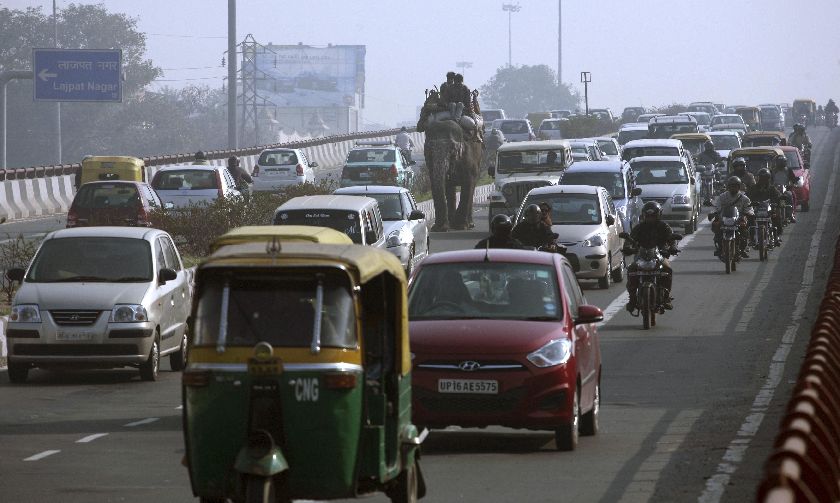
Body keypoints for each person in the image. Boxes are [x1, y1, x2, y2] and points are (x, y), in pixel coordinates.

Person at [624, 201, 677, 313]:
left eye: (653, 216)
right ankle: (632, 298)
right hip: (641, 257)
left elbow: (672, 238)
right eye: (648, 216)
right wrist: (628, 247)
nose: (650, 219)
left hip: (659, 256)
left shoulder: (664, 226)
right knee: (631, 270)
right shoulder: (638, 228)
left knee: (668, 269)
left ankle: (666, 296)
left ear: (658, 215)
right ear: (644, 216)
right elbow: (629, 240)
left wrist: (672, 247)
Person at [711, 176, 754, 258]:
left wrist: (748, 213)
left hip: (738, 219)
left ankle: (743, 248)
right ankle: (719, 247)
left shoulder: (744, 198)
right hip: (724, 219)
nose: (733, 188)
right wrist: (714, 213)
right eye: (731, 186)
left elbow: (749, 208)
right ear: (728, 187)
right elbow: (716, 207)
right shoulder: (722, 196)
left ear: (739, 187)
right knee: (716, 227)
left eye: (735, 186)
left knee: (745, 230)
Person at [747, 168, 783, 245]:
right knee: (749, 219)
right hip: (756, 210)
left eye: (765, 178)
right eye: (762, 178)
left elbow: (778, 196)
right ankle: (751, 237)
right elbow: (747, 197)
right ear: (758, 178)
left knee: (777, 216)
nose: (763, 180)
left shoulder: (772, 188)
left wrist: (781, 198)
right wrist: (750, 203)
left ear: (768, 179)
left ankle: (777, 237)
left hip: (768, 209)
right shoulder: (753, 188)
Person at [770, 154, 799, 223]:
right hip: (775, 190)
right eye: (780, 162)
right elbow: (770, 181)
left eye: (783, 162)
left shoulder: (788, 170)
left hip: (786, 189)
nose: (781, 163)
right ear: (776, 162)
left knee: (792, 196)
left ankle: (791, 214)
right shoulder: (772, 171)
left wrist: (794, 183)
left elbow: (793, 179)